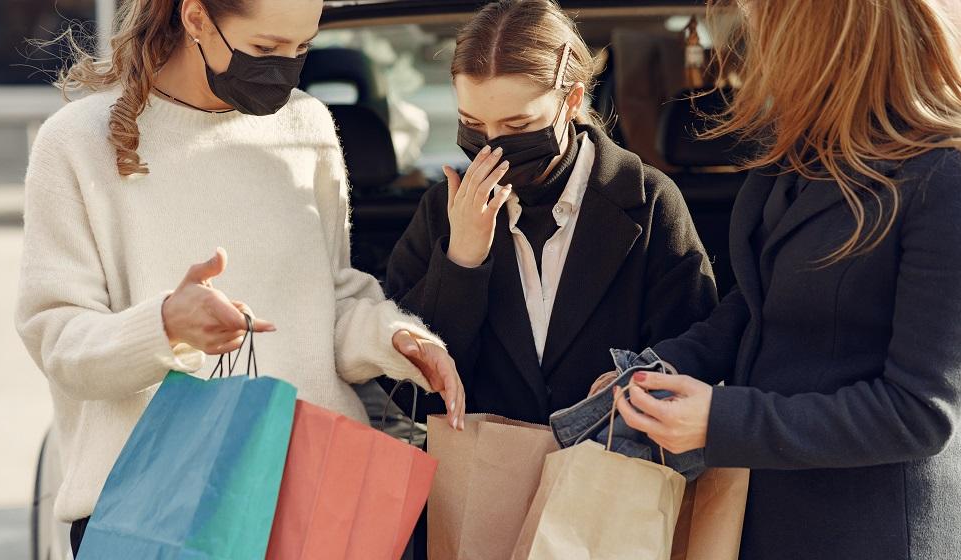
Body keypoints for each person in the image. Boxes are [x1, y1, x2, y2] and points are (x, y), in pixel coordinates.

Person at [14, 0, 466, 555]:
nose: (284, 70)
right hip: (158, 508)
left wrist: (394, 337)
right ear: (196, 18)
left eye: (301, 50)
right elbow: (58, 342)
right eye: (265, 49)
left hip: (315, 494)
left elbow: (333, 299)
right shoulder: (77, 143)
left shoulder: (308, 127)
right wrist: (166, 326)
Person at [601, 1, 961, 558]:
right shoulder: (803, 150)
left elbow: (918, 414)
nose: (754, 52)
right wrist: (664, 369)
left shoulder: (942, 180)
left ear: (826, 41)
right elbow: (757, 303)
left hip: (871, 533)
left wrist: (721, 420)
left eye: (767, 31)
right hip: (767, 516)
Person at [384, 0, 718, 425]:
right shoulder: (442, 210)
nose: (491, 145)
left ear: (573, 100)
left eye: (518, 126)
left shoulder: (649, 201)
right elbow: (412, 396)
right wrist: (461, 264)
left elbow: (692, 362)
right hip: (476, 481)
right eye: (472, 123)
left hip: (613, 477)